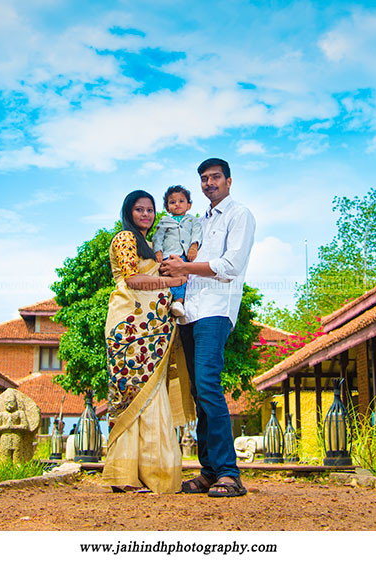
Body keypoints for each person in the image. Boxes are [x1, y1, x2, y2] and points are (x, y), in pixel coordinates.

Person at [160, 158, 255, 498]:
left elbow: (231, 266)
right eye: (203, 179)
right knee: (198, 392)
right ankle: (209, 471)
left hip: (216, 311)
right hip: (189, 314)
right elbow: (184, 262)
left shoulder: (239, 215)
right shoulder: (198, 221)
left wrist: (185, 265)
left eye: (215, 177)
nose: (209, 183)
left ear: (228, 181)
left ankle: (230, 473)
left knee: (209, 386)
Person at [102, 189, 197, 493]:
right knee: (132, 395)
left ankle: (152, 475)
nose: (146, 215)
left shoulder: (152, 244)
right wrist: (171, 281)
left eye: (150, 210)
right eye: (139, 210)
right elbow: (131, 280)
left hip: (153, 327)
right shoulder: (125, 239)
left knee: (153, 395)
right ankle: (126, 475)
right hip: (129, 326)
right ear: (128, 212)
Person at [151, 185, 201, 321]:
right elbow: (158, 237)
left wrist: (193, 247)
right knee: (168, 277)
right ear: (167, 208)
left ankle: (179, 302)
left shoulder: (193, 220)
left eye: (181, 201)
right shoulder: (164, 221)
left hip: (184, 256)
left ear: (189, 205)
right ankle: (171, 302)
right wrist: (158, 251)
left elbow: (197, 234)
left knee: (184, 278)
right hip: (169, 255)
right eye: (172, 202)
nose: (177, 204)